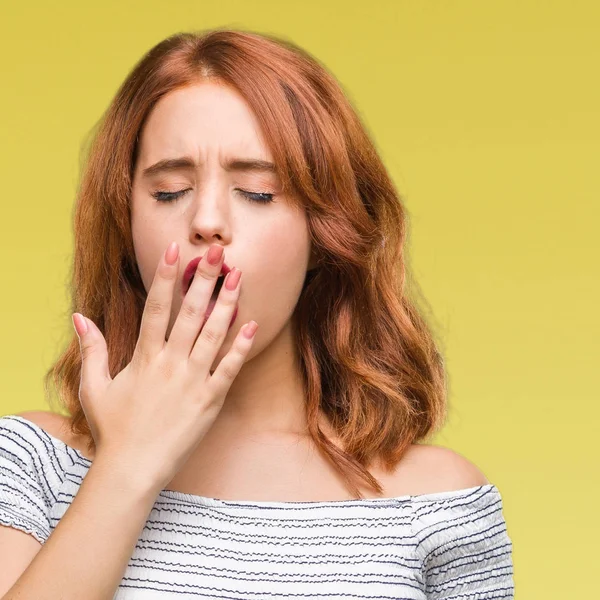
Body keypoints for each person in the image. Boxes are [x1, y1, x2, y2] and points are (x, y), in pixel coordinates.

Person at [0, 28, 515, 599]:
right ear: (125, 226)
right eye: (170, 191)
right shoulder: (32, 465)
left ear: (325, 233)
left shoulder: (439, 501)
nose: (208, 220)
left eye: (258, 191)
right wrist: (127, 463)